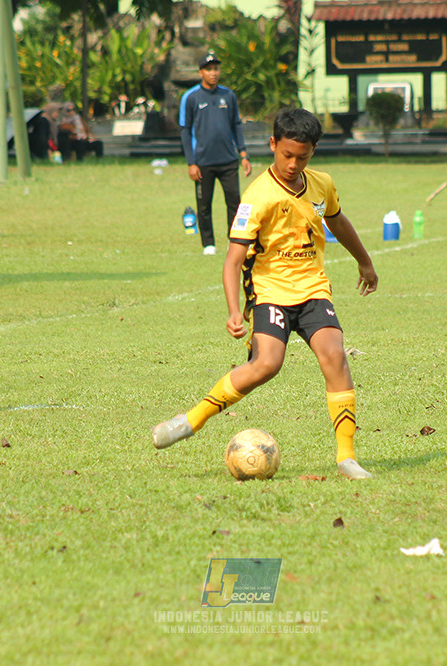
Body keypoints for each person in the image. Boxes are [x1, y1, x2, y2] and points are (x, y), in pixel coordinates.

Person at [152, 107, 379, 480]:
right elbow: (232, 261)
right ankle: (190, 420)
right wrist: (233, 310)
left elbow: (337, 220)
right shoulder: (257, 196)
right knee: (267, 365)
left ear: (313, 152)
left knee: (335, 357)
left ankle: (346, 458)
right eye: (286, 155)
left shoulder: (321, 184)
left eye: (302, 157)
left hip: (313, 288)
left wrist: (365, 262)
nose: (292, 164)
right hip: (270, 292)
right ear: (273, 144)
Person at [179, 52, 251, 256]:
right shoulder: (191, 97)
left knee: (234, 203)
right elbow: (185, 130)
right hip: (203, 162)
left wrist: (243, 154)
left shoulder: (228, 95)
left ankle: (234, 241)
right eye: (209, 69)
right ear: (200, 72)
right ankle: (208, 244)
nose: (213, 73)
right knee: (204, 205)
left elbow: (236, 125)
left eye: (216, 69)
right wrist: (191, 163)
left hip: (228, 160)